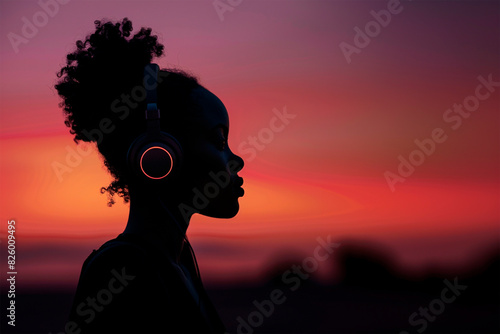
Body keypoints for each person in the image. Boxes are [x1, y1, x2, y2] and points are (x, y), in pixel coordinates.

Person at [55, 18, 244, 333]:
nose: (236, 160)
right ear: (158, 156)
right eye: (219, 141)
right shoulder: (122, 270)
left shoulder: (178, 261)